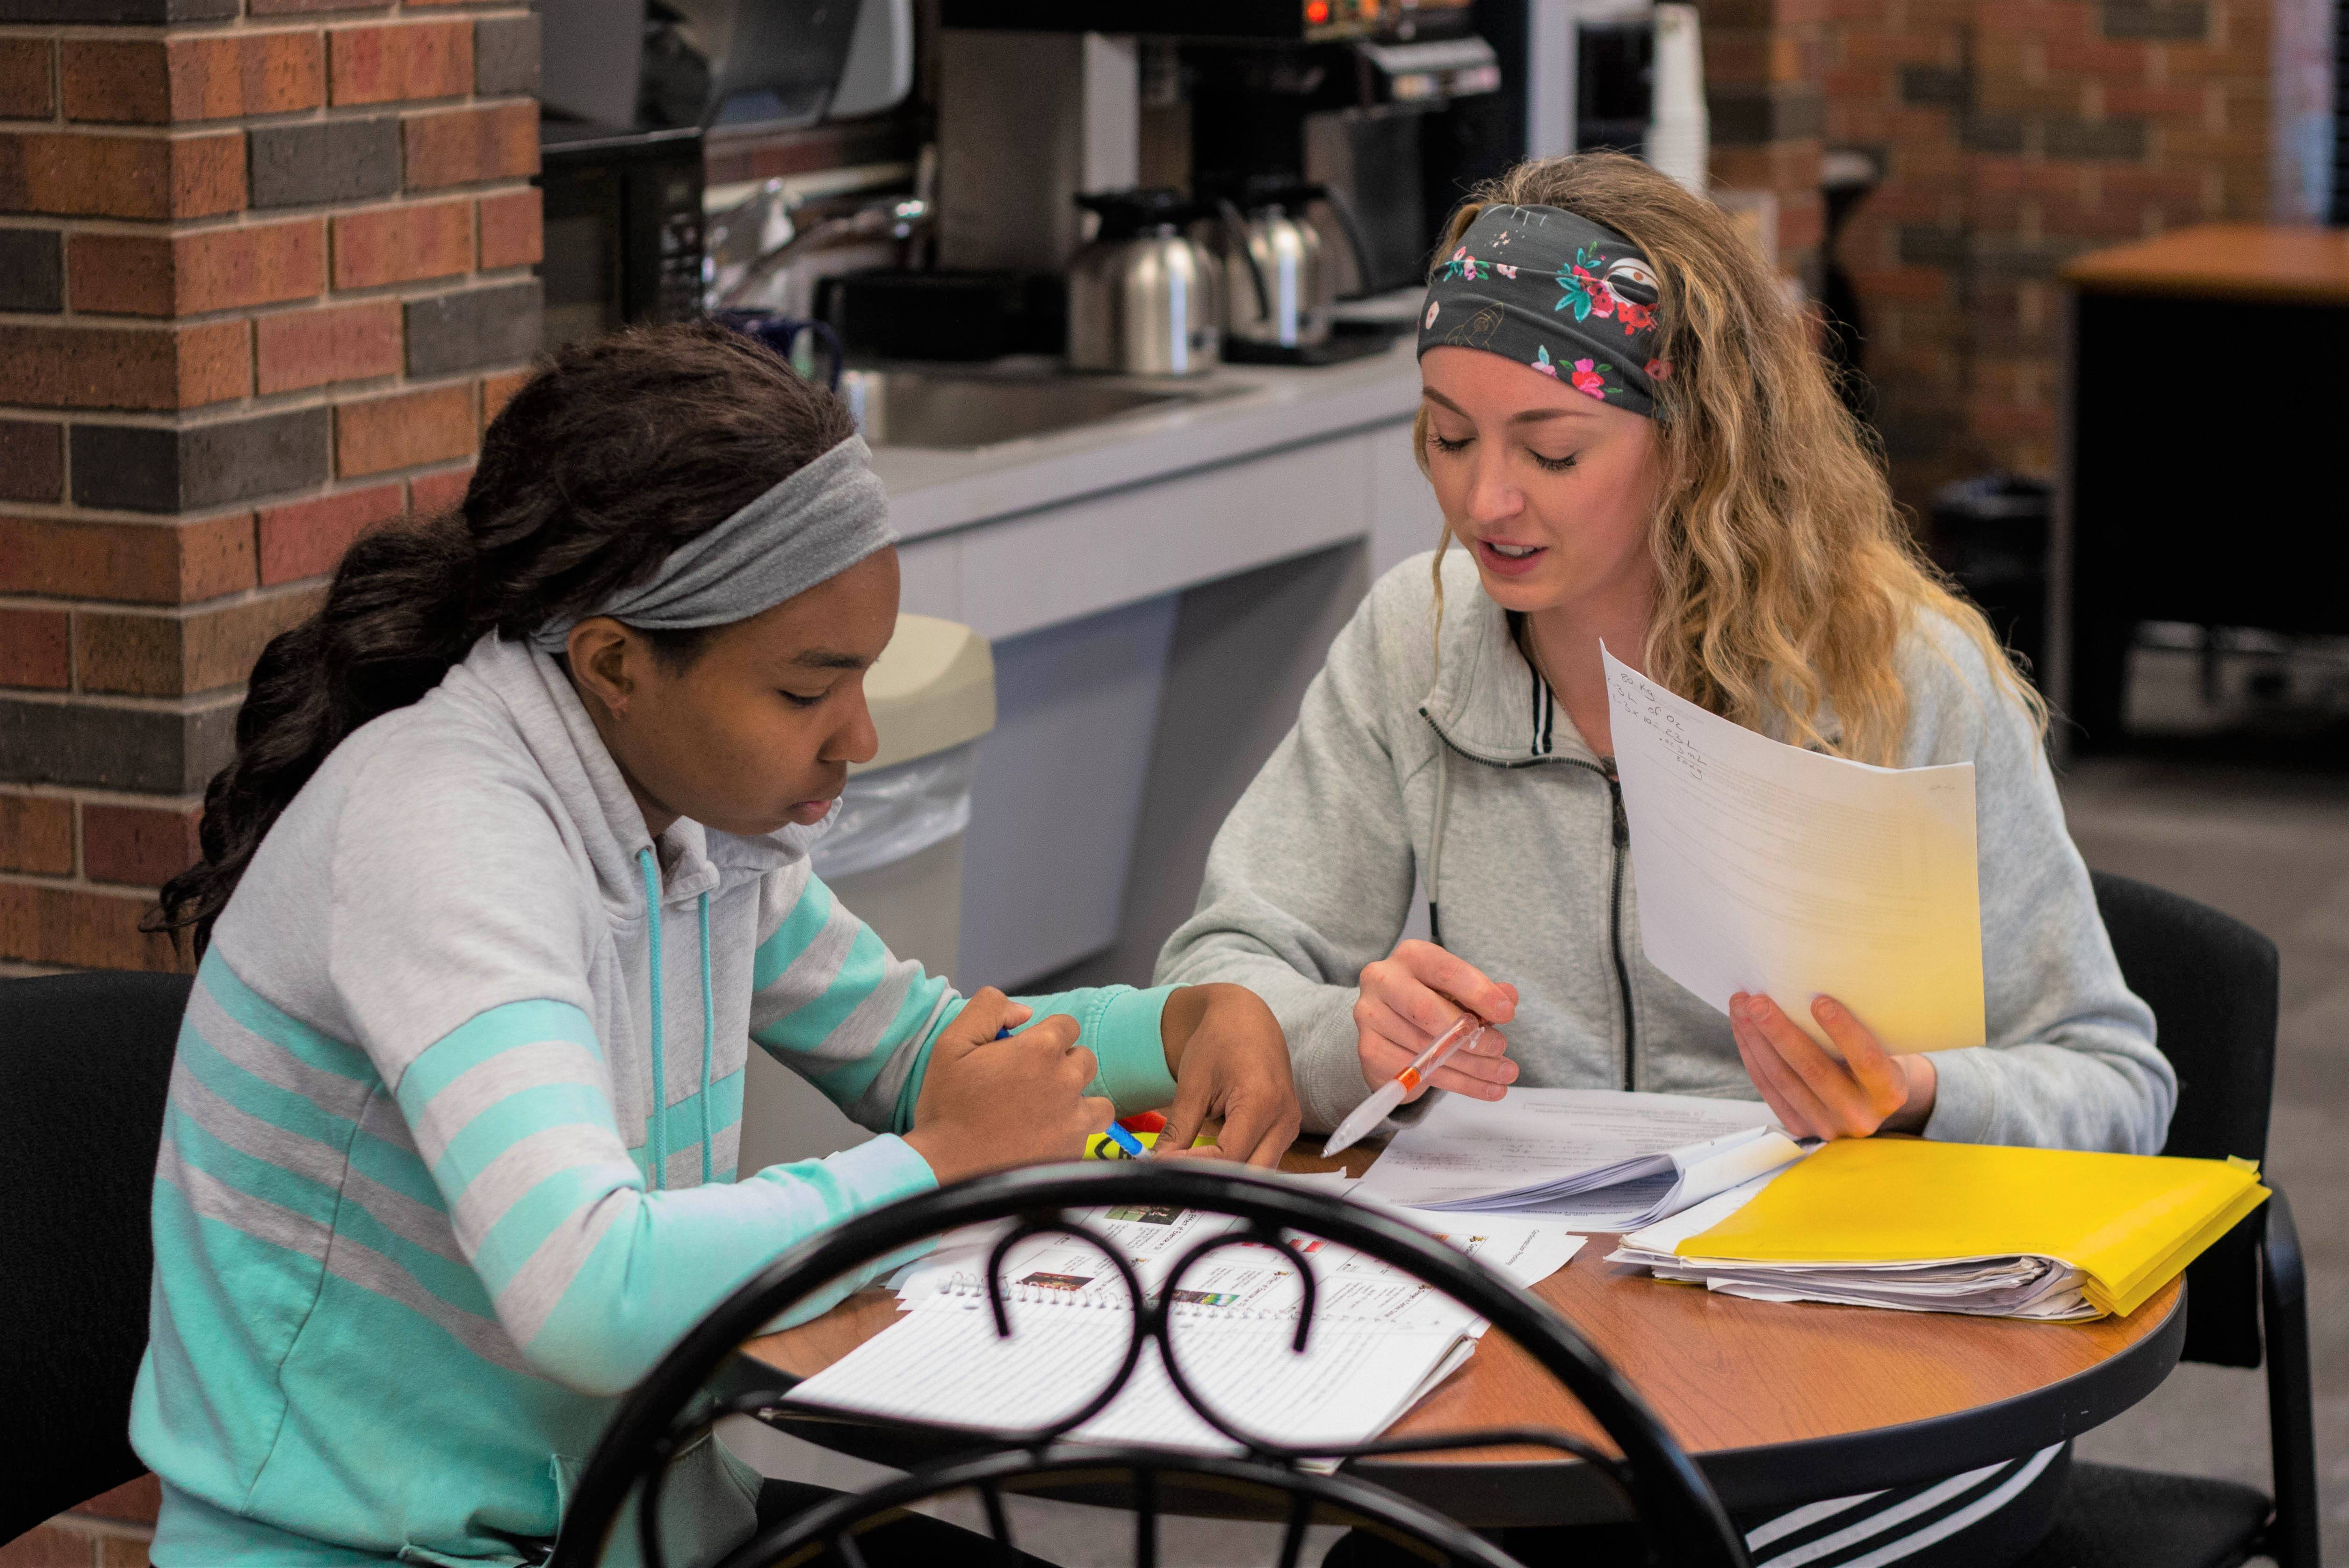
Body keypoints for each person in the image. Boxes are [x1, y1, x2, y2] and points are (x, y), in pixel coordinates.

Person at [134, 323, 1300, 1567]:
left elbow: (915, 1045)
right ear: (618, 663)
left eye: (863, 678)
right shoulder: (444, 830)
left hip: (625, 1529)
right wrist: (942, 1164)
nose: (857, 733)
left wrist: (1178, 1027)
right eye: (806, 691)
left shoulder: (681, 813)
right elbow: (588, 1292)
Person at [1156, 154, 2172, 1567]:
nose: (1486, 500)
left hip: (1888, 1377)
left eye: (1551, 450)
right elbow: (1228, 968)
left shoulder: (1899, 676)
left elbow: (2119, 1081)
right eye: (1448, 437)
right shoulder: (1416, 642)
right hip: (1543, 1360)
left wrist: (1922, 1092)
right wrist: (1343, 1033)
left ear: (1694, 437)